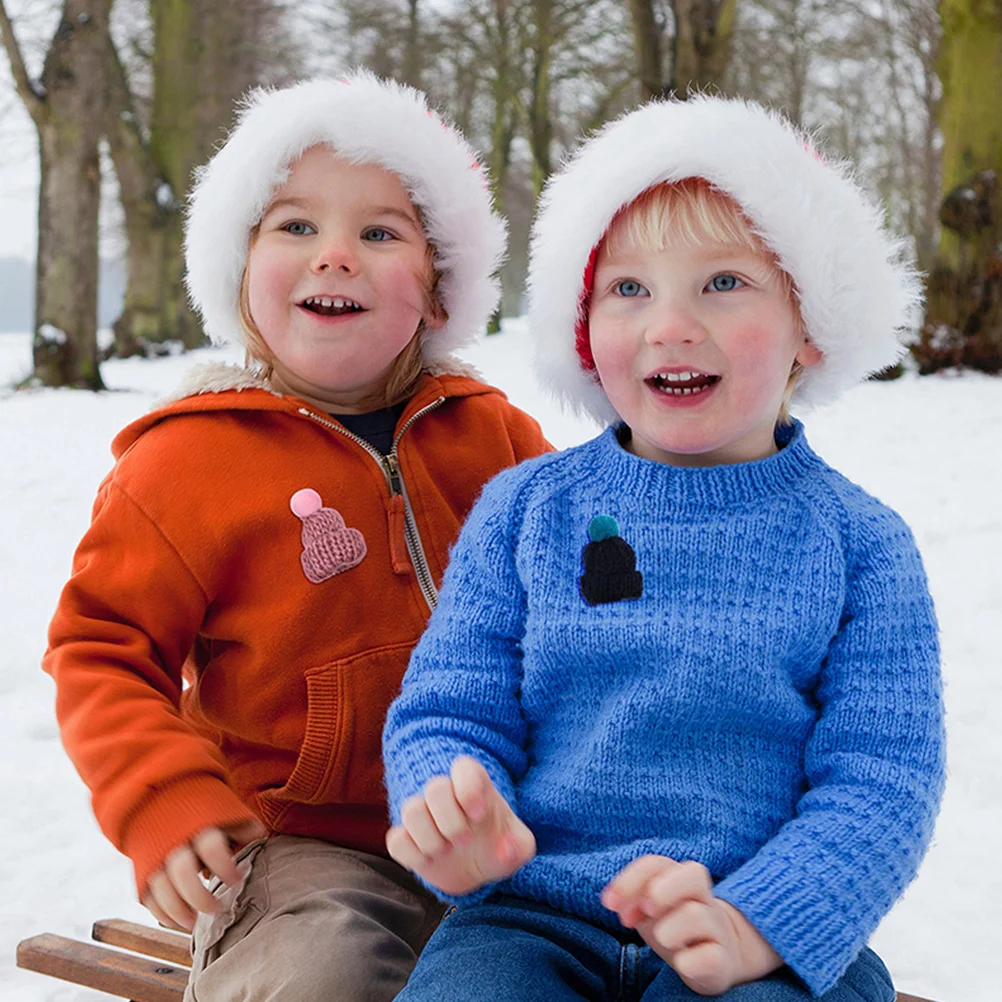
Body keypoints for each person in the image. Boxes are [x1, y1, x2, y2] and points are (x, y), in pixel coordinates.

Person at [382, 95, 945, 1002]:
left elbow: (881, 780)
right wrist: (453, 803)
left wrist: (763, 921)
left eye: (723, 283)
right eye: (629, 289)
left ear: (811, 325)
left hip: (758, 934)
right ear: (583, 327)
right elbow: (450, 705)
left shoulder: (860, 546)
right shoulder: (526, 510)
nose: (670, 326)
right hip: (530, 919)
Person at [43, 73, 549, 1002]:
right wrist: (164, 797)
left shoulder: (498, 439)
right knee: (326, 971)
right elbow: (101, 649)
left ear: (439, 292)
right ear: (237, 274)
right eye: (295, 226)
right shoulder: (187, 462)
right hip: (302, 853)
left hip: (500, 831)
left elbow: (586, 608)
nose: (336, 257)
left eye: (381, 232)